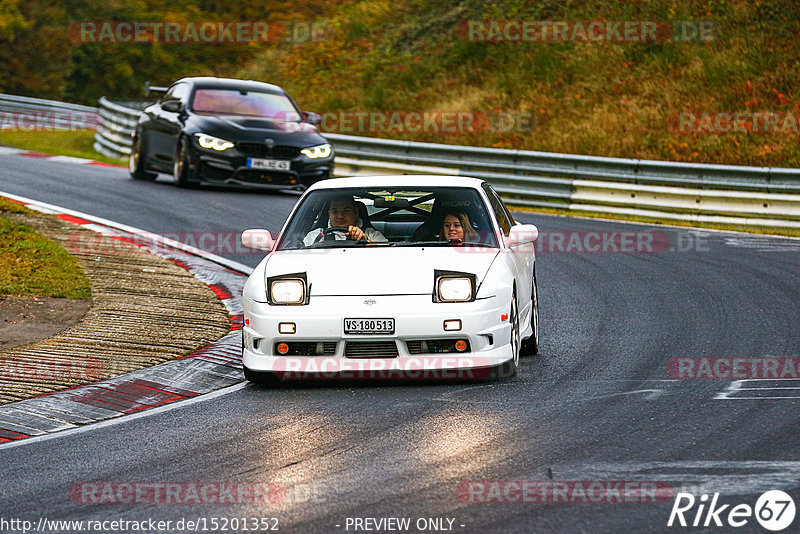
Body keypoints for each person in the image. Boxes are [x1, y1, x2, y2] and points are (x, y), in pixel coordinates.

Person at [303, 195, 387, 246]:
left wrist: (365, 241)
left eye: (346, 211)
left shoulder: (371, 234)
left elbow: (386, 255)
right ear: (329, 214)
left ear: (355, 212)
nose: (340, 216)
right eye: (335, 212)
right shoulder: (315, 235)